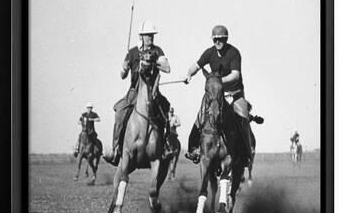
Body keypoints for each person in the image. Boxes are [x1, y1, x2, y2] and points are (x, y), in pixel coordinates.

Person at [184, 25, 255, 165]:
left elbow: (235, 75)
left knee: (243, 116)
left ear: (226, 39)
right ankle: (194, 149)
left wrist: (217, 81)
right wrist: (189, 75)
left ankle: (247, 152)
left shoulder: (234, 53)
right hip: (216, 94)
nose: (217, 42)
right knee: (201, 116)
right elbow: (196, 66)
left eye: (220, 39)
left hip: (234, 94)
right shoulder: (209, 53)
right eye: (215, 39)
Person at [103, 20, 171, 166]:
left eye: (152, 35)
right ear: (141, 36)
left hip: (153, 92)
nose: (150, 38)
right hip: (134, 92)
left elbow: (167, 68)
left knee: (166, 109)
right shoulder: (133, 52)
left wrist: (153, 61)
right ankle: (115, 149)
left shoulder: (158, 51)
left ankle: (165, 147)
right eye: (147, 35)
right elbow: (122, 75)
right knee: (120, 113)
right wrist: (124, 67)